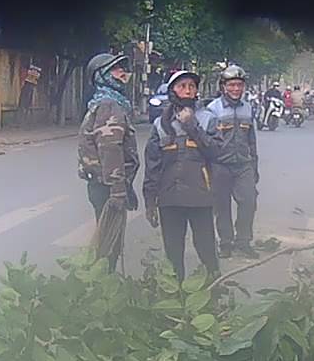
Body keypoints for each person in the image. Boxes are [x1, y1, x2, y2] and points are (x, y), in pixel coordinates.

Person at [143, 70, 222, 282]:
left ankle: (214, 288)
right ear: (172, 91)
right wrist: (150, 201)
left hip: (200, 197)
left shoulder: (207, 119)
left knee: (206, 248)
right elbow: (152, 165)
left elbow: (216, 152)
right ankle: (176, 295)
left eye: (192, 86)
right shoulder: (160, 124)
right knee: (173, 253)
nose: (188, 91)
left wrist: (192, 126)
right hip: (169, 199)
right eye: (182, 86)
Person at [77, 52, 139, 271]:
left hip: (102, 184)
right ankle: (104, 286)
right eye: (115, 69)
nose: (122, 73)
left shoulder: (104, 102)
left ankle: (103, 281)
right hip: (107, 187)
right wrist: (118, 191)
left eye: (122, 68)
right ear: (101, 75)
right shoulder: (109, 105)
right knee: (109, 245)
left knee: (107, 243)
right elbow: (110, 149)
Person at [199, 64, 260, 260]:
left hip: (243, 165)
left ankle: (243, 241)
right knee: (222, 206)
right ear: (224, 86)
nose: (236, 89)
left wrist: (255, 166)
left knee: (249, 202)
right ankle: (225, 243)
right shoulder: (212, 109)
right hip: (219, 166)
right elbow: (205, 141)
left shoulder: (248, 108)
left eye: (239, 85)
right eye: (232, 85)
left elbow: (251, 140)